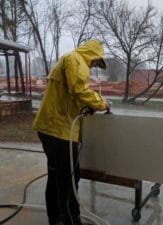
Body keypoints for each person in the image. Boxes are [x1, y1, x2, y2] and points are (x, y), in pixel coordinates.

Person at [33, 39, 110, 225]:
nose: (94, 66)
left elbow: (69, 96)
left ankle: (55, 217)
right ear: (92, 54)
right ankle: (70, 221)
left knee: (56, 176)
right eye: (96, 62)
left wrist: (85, 107)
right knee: (69, 179)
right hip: (60, 131)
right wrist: (101, 103)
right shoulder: (76, 60)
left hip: (50, 127)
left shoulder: (71, 60)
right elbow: (78, 90)